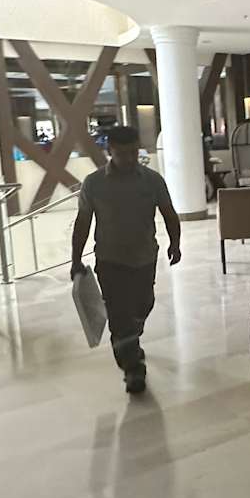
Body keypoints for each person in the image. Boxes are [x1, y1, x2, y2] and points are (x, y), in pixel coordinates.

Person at [71, 125, 181, 394]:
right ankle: (133, 369)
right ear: (109, 151)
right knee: (120, 316)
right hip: (110, 260)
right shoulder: (94, 183)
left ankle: (132, 337)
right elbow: (83, 222)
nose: (130, 159)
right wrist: (75, 259)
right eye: (122, 154)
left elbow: (169, 213)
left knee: (144, 304)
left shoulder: (152, 180)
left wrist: (175, 243)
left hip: (144, 257)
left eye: (134, 152)